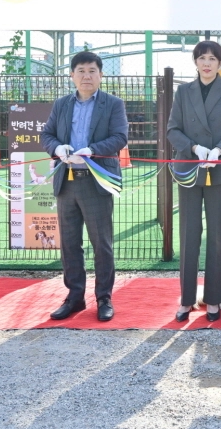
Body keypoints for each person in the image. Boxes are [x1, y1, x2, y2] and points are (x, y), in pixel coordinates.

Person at [40, 51, 128, 322]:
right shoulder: (62, 104)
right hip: (67, 181)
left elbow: (120, 137)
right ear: (72, 75)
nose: (86, 76)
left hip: (97, 181)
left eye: (92, 70)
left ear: (101, 75)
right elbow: (47, 134)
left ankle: (104, 298)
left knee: (101, 243)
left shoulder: (113, 104)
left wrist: (92, 150)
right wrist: (57, 147)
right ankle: (74, 297)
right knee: (69, 243)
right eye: (81, 71)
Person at [168, 40, 221, 323]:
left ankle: (214, 298)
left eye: (213, 58)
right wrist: (195, 148)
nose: (207, 63)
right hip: (190, 167)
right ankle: (187, 300)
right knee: (188, 233)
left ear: (220, 63)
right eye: (202, 58)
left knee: (217, 234)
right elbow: (173, 129)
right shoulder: (183, 91)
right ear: (195, 62)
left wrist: (219, 149)